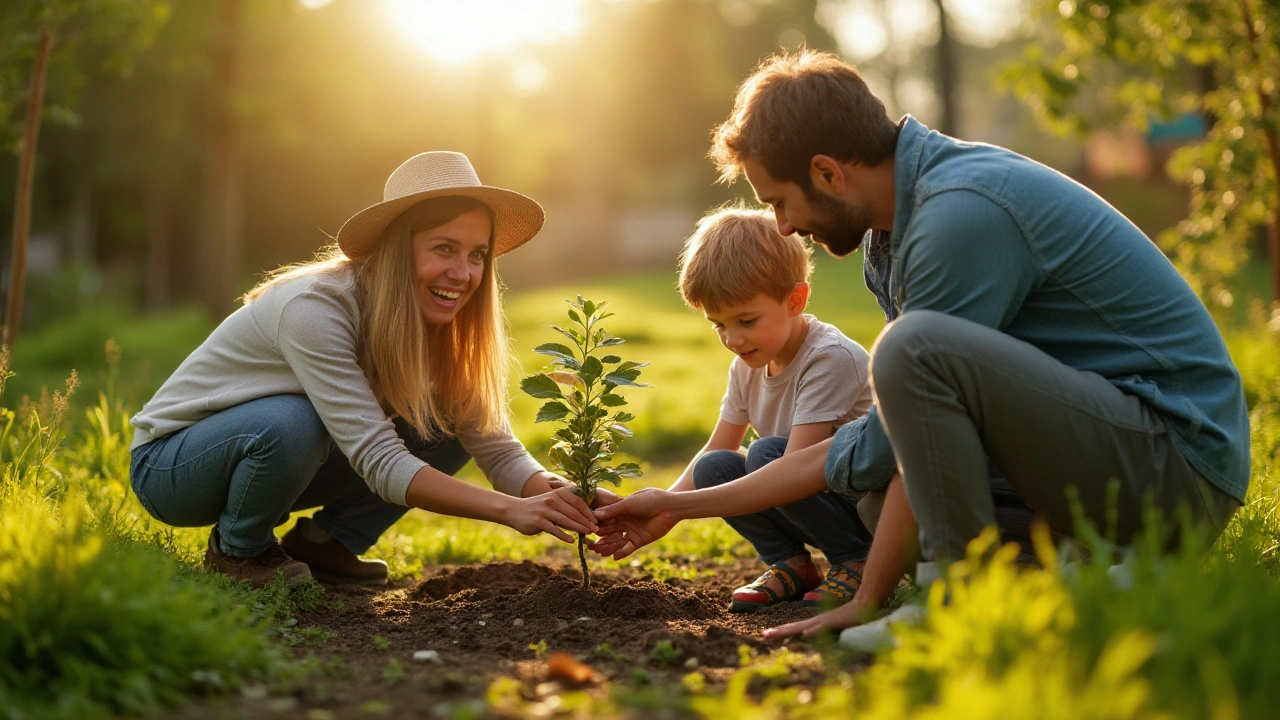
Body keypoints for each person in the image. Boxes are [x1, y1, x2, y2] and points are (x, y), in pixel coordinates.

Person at [594, 50, 1249, 644]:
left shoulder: (958, 214)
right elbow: (911, 444)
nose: (783, 225)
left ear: (826, 172)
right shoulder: (894, 229)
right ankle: (1075, 576)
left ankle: (959, 599)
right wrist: (677, 506)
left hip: (1177, 465)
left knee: (910, 352)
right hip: (1110, 445)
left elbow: (891, 429)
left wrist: (862, 597)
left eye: (780, 202)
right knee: (881, 501)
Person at [130, 151, 598, 589]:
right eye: (444, 248)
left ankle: (326, 545)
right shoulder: (315, 307)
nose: (464, 272)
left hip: (284, 455)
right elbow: (378, 458)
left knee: (446, 420)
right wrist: (510, 510)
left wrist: (573, 499)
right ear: (397, 248)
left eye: (477, 254)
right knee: (295, 421)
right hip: (175, 467)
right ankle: (238, 552)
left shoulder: (433, 317)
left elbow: (495, 449)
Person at [660, 206, 877, 612]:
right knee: (715, 468)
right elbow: (718, 446)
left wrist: (673, 508)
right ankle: (792, 564)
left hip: (860, 504)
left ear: (794, 300)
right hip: (802, 496)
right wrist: (662, 508)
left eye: (746, 320)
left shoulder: (829, 357)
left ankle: (856, 559)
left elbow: (795, 469)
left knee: (764, 454)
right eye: (719, 325)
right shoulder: (748, 364)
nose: (733, 339)